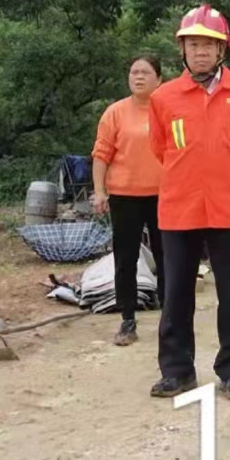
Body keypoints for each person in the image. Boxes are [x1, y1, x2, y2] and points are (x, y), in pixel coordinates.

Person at [148, 5, 230, 401]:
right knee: (176, 292)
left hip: (229, 207)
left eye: (208, 45)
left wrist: (220, 173)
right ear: (183, 49)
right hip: (179, 207)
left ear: (221, 50)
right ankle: (177, 372)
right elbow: (160, 148)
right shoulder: (164, 97)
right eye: (194, 44)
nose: (201, 51)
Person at [91, 54, 166, 346]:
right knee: (126, 259)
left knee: (167, 257)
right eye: (134, 72)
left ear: (159, 80)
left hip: (164, 195)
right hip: (124, 196)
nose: (139, 77)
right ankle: (127, 320)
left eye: (145, 72)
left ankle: (170, 318)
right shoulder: (115, 112)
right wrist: (99, 191)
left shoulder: (168, 111)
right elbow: (101, 154)